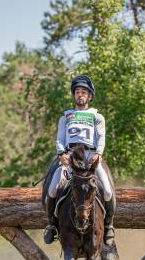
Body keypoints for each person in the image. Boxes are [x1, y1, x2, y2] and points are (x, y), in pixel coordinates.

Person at [44, 75, 115, 245]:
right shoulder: (66, 117)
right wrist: (61, 153)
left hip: (91, 157)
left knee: (106, 189)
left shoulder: (97, 116)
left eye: (83, 92)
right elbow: (60, 138)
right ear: (74, 95)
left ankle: (109, 226)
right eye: (77, 92)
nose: (80, 95)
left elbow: (102, 136)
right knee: (53, 188)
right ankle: (51, 225)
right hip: (71, 158)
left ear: (90, 96)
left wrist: (99, 152)